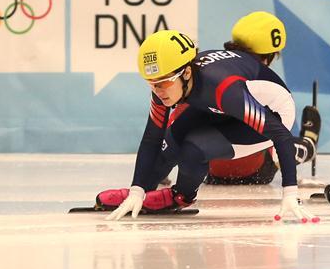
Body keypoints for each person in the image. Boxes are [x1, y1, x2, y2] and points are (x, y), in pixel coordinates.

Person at [97, 28, 318, 222]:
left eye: (163, 83)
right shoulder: (169, 82)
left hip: (273, 112)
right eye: (151, 84)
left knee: (194, 147)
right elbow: (151, 138)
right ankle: (145, 194)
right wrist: (137, 191)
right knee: (172, 138)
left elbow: (280, 134)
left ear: (186, 72)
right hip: (223, 106)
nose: (158, 91)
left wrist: (290, 193)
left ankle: (180, 196)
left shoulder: (224, 90)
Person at [204, 11, 320, 185]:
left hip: (208, 167)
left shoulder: (208, 67)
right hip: (256, 169)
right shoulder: (267, 82)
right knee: (275, 130)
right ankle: (308, 144)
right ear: (270, 55)